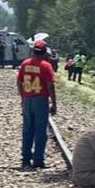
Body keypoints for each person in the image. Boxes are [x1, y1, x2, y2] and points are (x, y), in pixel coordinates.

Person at [17, 39, 57, 169]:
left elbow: (19, 82)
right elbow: (50, 86)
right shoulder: (46, 66)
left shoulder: (25, 64)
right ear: (45, 51)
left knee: (27, 129)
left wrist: (23, 98)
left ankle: (26, 160)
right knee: (41, 131)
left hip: (28, 100)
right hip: (41, 100)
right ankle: (38, 160)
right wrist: (54, 103)